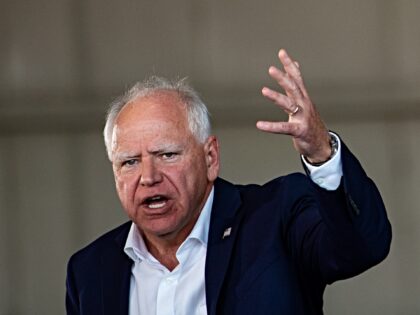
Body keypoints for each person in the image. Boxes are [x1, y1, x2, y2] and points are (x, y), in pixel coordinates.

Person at [66, 49, 391, 315]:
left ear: (210, 158)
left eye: (166, 155)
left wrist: (321, 150)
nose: (148, 177)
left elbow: (362, 248)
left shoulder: (275, 219)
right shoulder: (91, 272)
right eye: (129, 162)